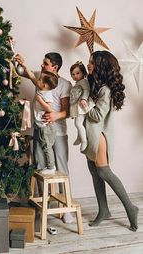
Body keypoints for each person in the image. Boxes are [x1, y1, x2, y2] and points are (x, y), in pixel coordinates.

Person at [14, 52, 74, 223]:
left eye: (45, 63)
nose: (42, 65)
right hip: (40, 130)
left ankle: (66, 209)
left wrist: (55, 115)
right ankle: (44, 207)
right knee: (41, 167)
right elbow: (20, 71)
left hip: (58, 132)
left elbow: (67, 111)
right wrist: (17, 57)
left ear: (54, 67)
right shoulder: (39, 78)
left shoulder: (64, 84)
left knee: (61, 168)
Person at [84, 50, 139, 231]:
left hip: (99, 135)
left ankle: (131, 208)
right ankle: (104, 210)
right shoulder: (93, 84)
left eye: (92, 62)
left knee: (105, 172)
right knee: (94, 171)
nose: (88, 64)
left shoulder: (105, 90)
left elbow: (97, 115)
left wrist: (85, 106)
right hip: (91, 134)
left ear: (100, 66)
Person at [26, 70, 58, 174]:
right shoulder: (41, 89)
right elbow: (32, 77)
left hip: (46, 126)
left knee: (46, 146)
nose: (37, 80)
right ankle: (49, 166)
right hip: (42, 125)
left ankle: (51, 167)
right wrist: (25, 66)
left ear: (43, 84)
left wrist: (40, 100)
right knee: (45, 145)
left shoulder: (47, 94)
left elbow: (49, 109)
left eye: (39, 79)